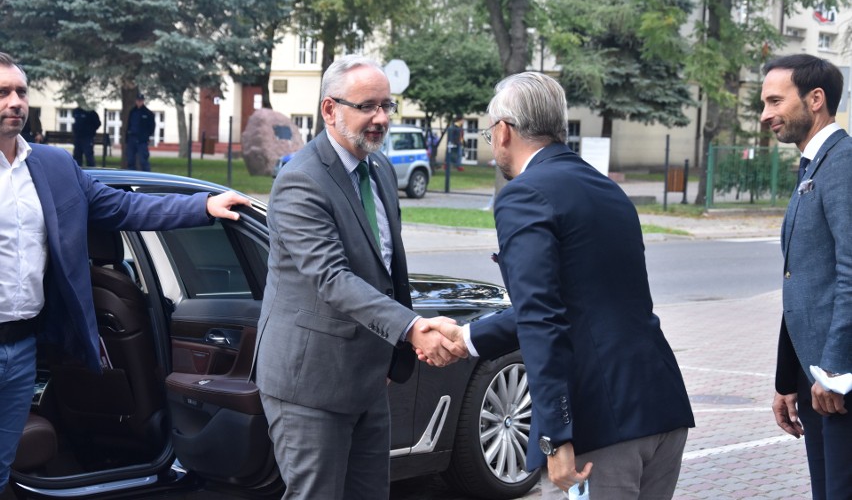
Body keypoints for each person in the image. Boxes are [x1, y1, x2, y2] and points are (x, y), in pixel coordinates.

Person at [419, 71, 694, 499]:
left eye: (490, 134)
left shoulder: (524, 194)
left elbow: (542, 317)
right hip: (660, 406)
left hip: (598, 428)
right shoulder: (608, 190)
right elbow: (572, 303)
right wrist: (468, 336)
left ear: (505, 131)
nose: (493, 148)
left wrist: (555, 434)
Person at [0, 51, 251, 494]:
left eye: (21, 91)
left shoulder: (55, 166)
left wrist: (201, 205)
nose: (15, 101)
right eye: (3, 92)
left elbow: (123, 206)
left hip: (21, 348)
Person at [252, 55, 463, 500]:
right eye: (368, 106)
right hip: (309, 383)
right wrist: (411, 330)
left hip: (369, 377)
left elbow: (387, 272)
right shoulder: (300, 180)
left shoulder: (381, 170)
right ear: (330, 110)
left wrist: (404, 336)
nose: (381, 118)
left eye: (387, 105)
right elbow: (331, 278)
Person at [762, 54, 852, 500]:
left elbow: (850, 273)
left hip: (838, 384)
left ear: (815, 99)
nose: (765, 115)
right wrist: (787, 380)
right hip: (815, 381)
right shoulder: (812, 166)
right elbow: (801, 280)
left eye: (776, 101)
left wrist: (834, 370)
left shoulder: (843, 164)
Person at [125, 93, 155, 171]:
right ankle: (131, 177)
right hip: (132, 138)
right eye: (138, 100)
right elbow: (129, 125)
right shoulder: (132, 112)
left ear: (143, 101)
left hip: (142, 140)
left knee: (143, 160)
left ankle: (147, 177)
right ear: (136, 101)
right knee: (130, 160)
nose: (139, 102)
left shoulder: (148, 113)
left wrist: (146, 136)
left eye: (141, 101)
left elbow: (152, 127)